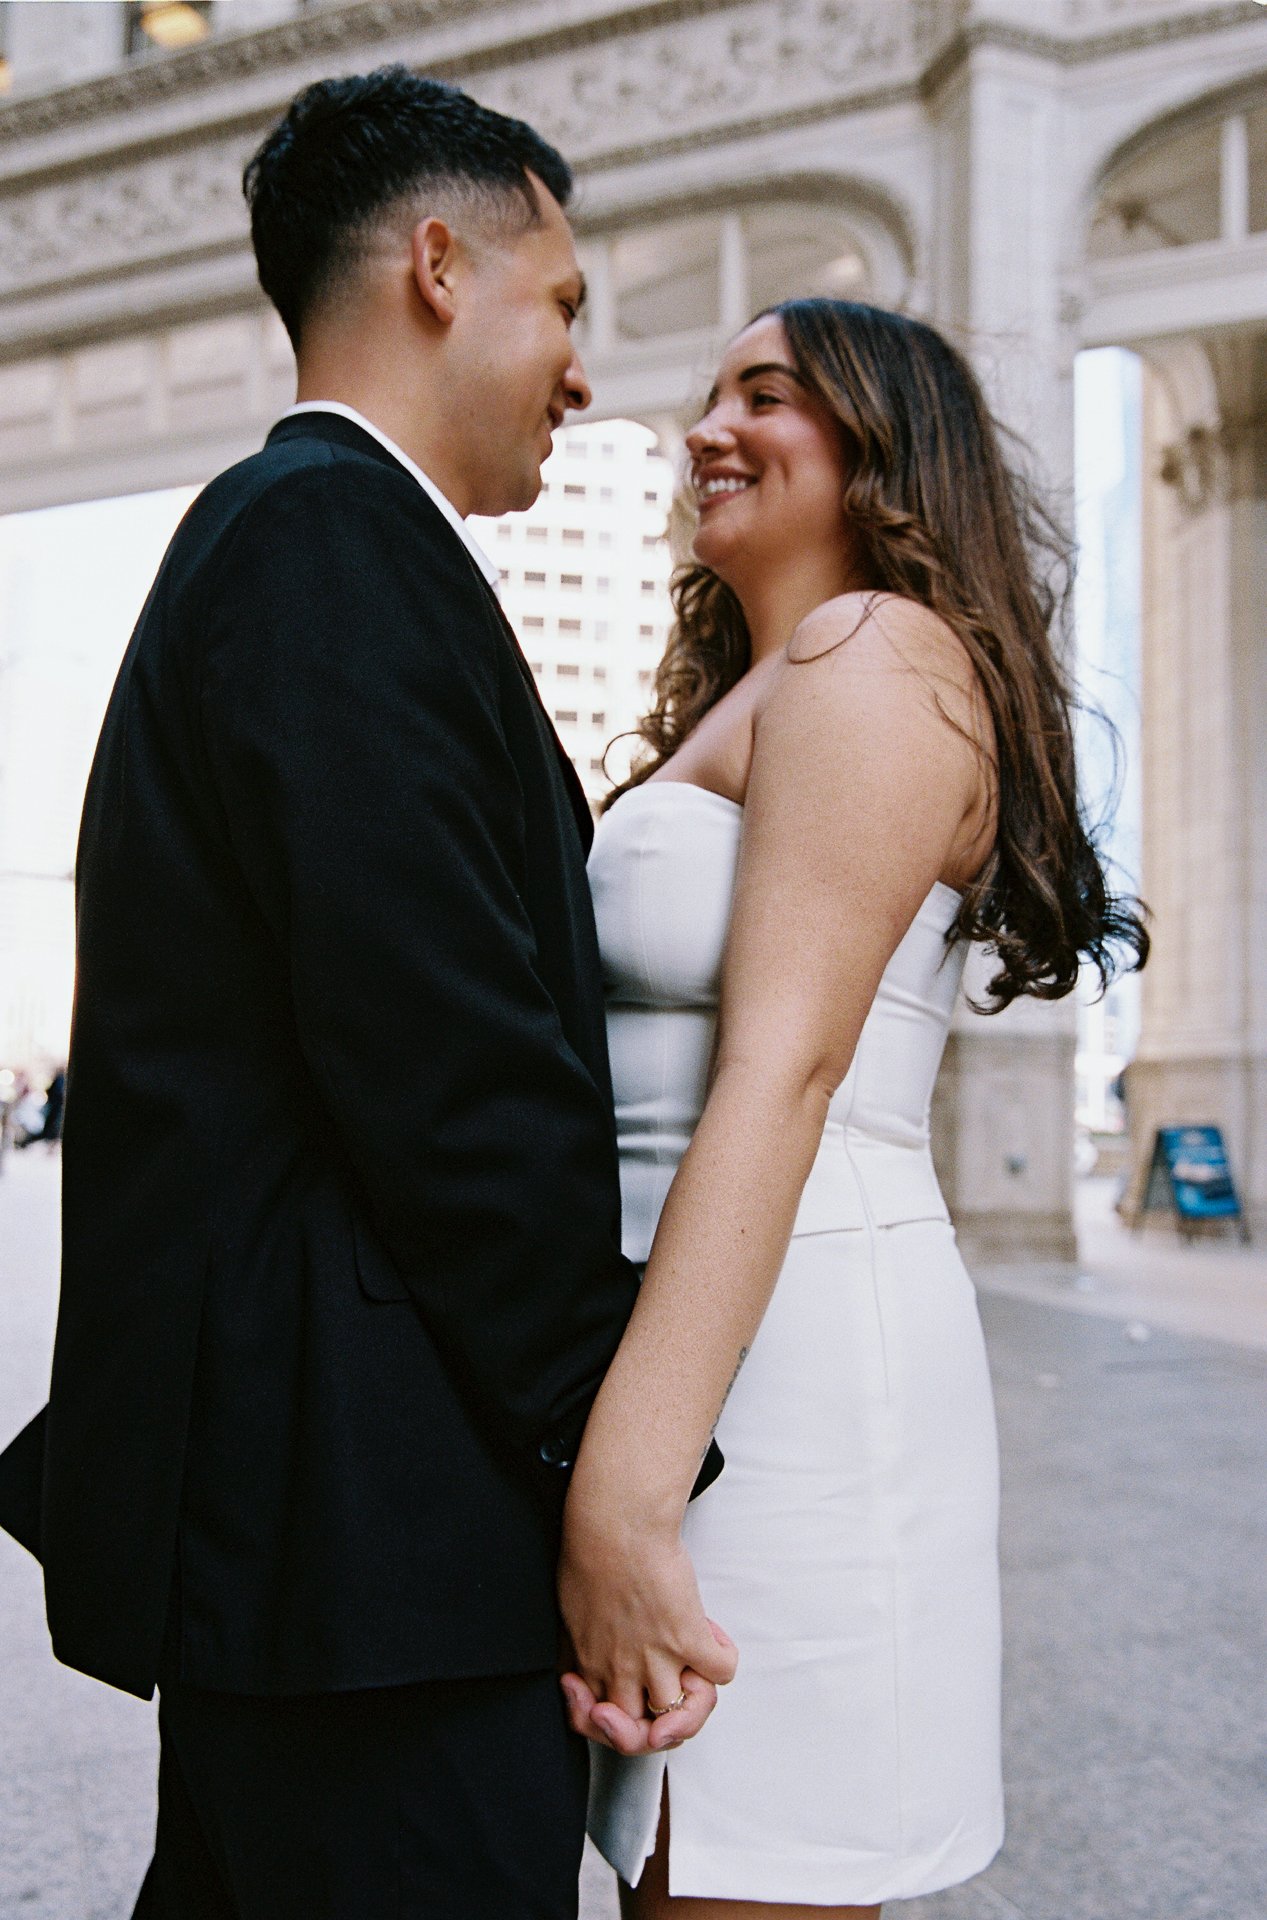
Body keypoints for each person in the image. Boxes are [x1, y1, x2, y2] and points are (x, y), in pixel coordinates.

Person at [0, 68, 728, 1920]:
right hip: (367, 1533)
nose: (582, 369)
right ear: (434, 265)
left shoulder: (317, 544)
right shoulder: (328, 542)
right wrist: (617, 1455)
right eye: (561, 303)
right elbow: (446, 1058)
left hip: (331, 1524)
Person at [559, 300, 1149, 1914]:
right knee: (685, 1876)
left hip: (797, 1365)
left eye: (767, 394)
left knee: (754, 1871)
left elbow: (788, 1069)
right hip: (704, 1346)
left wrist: (629, 1484)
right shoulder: (767, 688)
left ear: (889, 447)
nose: (707, 429)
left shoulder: (876, 651)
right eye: (710, 396)